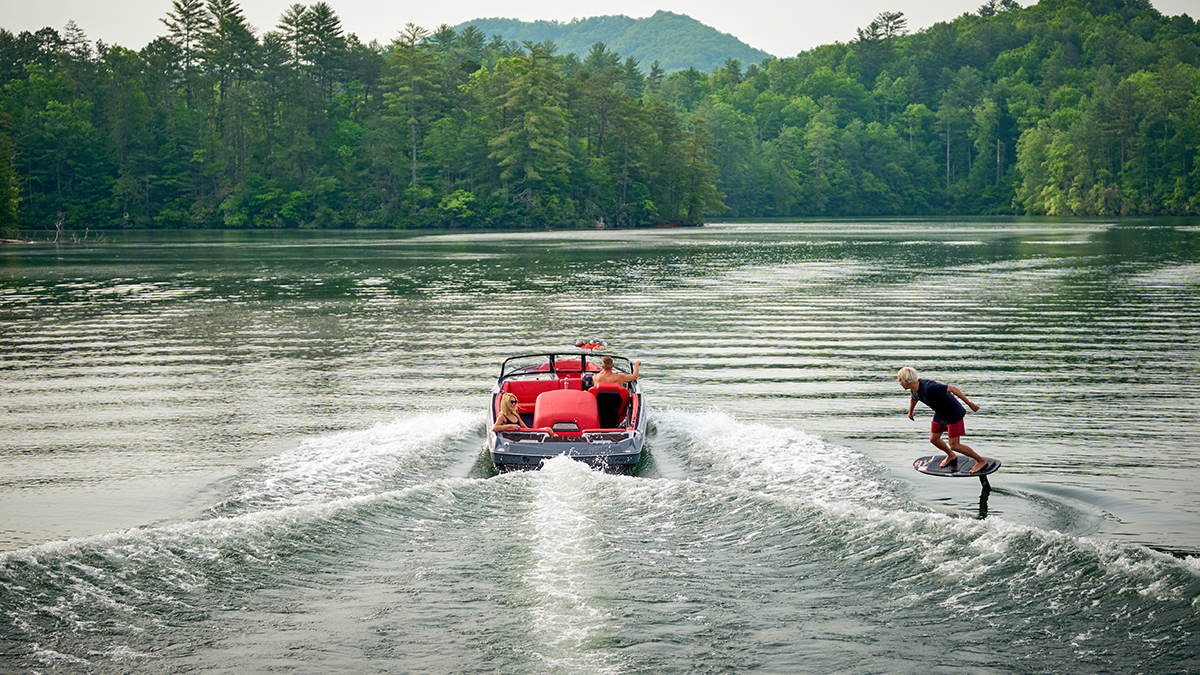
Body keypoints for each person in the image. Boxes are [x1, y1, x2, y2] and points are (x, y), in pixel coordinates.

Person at [897, 366, 987, 473]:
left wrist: (969, 403)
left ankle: (981, 460)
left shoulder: (929, 387)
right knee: (934, 439)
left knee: (955, 445)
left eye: (900, 381)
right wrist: (910, 411)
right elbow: (914, 398)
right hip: (940, 414)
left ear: (906, 381)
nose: (900, 383)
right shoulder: (914, 389)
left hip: (953, 414)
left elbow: (952, 389)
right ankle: (951, 456)